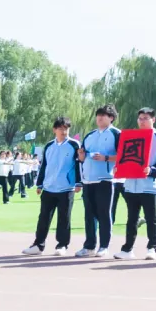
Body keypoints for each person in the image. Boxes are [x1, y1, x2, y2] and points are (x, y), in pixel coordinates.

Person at [113, 108, 156, 261]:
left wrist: (151, 171)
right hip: (131, 184)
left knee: (151, 218)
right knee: (131, 219)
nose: (142, 121)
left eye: (145, 118)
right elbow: (123, 158)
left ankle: (152, 248)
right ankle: (127, 249)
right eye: (140, 118)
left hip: (149, 186)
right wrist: (119, 169)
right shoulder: (131, 136)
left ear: (153, 120)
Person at [22, 118, 82, 256]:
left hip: (66, 188)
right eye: (61, 129)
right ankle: (38, 245)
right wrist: (40, 184)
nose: (64, 131)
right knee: (43, 217)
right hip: (49, 187)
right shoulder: (49, 145)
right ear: (54, 130)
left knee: (64, 218)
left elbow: (79, 164)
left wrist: (79, 183)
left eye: (66, 129)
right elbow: (44, 165)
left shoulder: (74, 144)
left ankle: (62, 245)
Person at [76, 104, 121, 258]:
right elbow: (82, 157)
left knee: (104, 214)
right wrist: (81, 156)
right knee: (89, 215)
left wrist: (106, 158)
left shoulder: (117, 134)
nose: (99, 118)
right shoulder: (90, 135)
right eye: (98, 115)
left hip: (105, 179)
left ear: (111, 118)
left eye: (103, 115)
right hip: (88, 180)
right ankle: (89, 246)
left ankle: (104, 246)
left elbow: (124, 156)